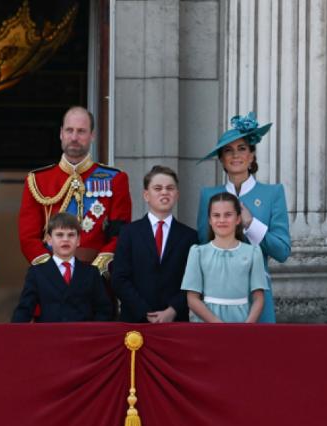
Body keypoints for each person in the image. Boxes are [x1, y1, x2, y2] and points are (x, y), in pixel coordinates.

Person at [196, 112, 290, 323]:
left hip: (255, 294)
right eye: (228, 150)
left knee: (256, 355)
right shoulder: (208, 196)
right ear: (221, 158)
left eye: (242, 148)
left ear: (252, 156)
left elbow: (282, 251)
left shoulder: (272, 193)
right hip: (216, 296)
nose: (235, 155)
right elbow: (203, 245)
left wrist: (250, 223)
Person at [18, 106, 131, 275]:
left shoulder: (115, 179)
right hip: (50, 281)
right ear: (61, 134)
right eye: (69, 130)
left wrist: (94, 271)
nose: (74, 137)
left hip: (97, 282)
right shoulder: (37, 180)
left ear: (92, 135)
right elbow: (28, 237)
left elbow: (120, 236)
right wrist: (53, 271)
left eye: (81, 131)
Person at [112, 166, 199, 323]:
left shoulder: (190, 236)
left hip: (175, 321)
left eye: (170, 188)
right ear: (146, 195)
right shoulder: (128, 233)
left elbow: (193, 282)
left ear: (177, 195)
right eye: (158, 188)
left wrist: (172, 310)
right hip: (135, 320)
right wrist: (144, 311)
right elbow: (119, 278)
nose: (164, 192)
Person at [183, 193, 268, 323]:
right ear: (210, 220)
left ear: (238, 219)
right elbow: (192, 299)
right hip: (206, 323)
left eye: (228, 215)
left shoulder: (253, 252)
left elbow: (259, 298)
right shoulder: (198, 252)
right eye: (216, 215)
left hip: (241, 321)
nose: (222, 220)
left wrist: (247, 326)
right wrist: (218, 325)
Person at [11, 213, 111, 322]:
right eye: (59, 235)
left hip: (83, 337)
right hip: (49, 336)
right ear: (49, 239)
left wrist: (93, 334)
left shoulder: (91, 272)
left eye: (71, 235)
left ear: (78, 240)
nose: (65, 239)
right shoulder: (37, 273)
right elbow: (24, 310)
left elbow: (103, 310)